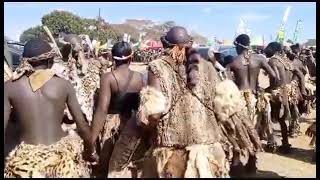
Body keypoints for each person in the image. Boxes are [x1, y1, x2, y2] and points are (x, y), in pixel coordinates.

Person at [136, 26, 261, 178]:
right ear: (190, 43)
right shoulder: (208, 67)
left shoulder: (157, 67)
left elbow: (153, 114)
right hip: (209, 153)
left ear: (164, 43)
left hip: (173, 156)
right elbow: (226, 109)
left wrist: (142, 127)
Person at [4, 39, 93, 177]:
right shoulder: (64, 85)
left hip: (26, 164)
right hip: (61, 159)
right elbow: (81, 124)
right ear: (50, 61)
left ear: (25, 61)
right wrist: (89, 151)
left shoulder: (10, 87)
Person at [87, 41, 145, 177]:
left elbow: (102, 109)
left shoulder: (108, 78)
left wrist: (91, 140)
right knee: (130, 165)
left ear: (113, 58)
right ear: (131, 58)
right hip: (134, 126)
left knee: (107, 166)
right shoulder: (140, 78)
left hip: (112, 128)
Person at [226, 34, 278, 150]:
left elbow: (228, 84)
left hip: (241, 100)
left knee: (242, 127)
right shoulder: (259, 59)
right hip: (258, 96)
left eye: (235, 46)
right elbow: (274, 76)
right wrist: (269, 89)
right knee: (263, 121)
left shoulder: (233, 62)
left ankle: (246, 152)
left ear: (238, 45)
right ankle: (270, 142)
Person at [264, 42, 296, 153]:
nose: (266, 50)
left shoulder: (272, 61)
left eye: (268, 48)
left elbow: (276, 79)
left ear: (273, 49)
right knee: (282, 119)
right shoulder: (286, 61)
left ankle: (271, 143)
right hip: (285, 92)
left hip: (277, 93)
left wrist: (266, 90)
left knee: (268, 117)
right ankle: (285, 143)